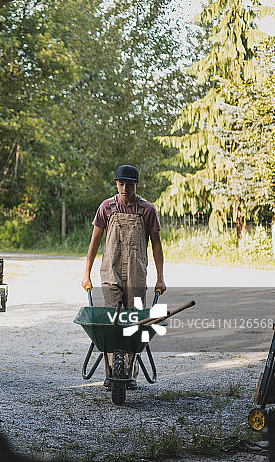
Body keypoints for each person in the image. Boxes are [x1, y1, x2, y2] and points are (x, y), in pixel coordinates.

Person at [80, 164, 166, 389]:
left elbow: (157, 246)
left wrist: (160, 277)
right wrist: (86, 273)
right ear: (116, 183)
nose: (125, 187)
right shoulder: (106, 207)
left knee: (135, 321)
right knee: (113, 322)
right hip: (111, 271)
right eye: (121, 183)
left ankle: (131, 371)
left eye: (129, 184)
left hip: (137, 274)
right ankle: (111, 370)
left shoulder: (147, 210)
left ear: (137, 184)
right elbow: (95, 242)